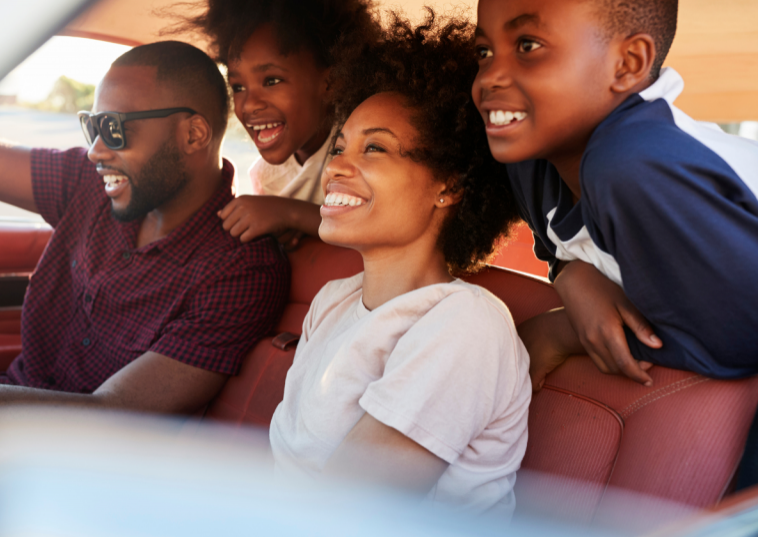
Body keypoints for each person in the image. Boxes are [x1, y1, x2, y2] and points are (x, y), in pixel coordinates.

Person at [472, 0, 758, 486]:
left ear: (627, 64)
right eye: (483, 50)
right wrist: (571, 276)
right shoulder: (532, 157)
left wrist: (560, 332)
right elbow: (563, 248)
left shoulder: (631, 164)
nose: (489, 76)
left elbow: (740, 340)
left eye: (527, 46)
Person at [270, 12, 531, 517]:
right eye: (340, 146)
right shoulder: (333, 301)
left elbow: (346, 514)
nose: (337, 166)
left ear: (449, 185)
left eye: (375, 148)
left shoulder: (464, 323)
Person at [0, 41, 290, 414]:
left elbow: (113, 414)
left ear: (194, 135)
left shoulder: (240, 269)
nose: (95, 151)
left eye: (114, 128)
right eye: (92, 126)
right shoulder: (89, 183)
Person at [173, 0, 380, 248]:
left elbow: (379, 227)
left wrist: (289, 213)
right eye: (238, 87)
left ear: (331, 82)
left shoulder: (365, 151)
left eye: (271, 81)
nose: (248, 105)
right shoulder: (265, 177)